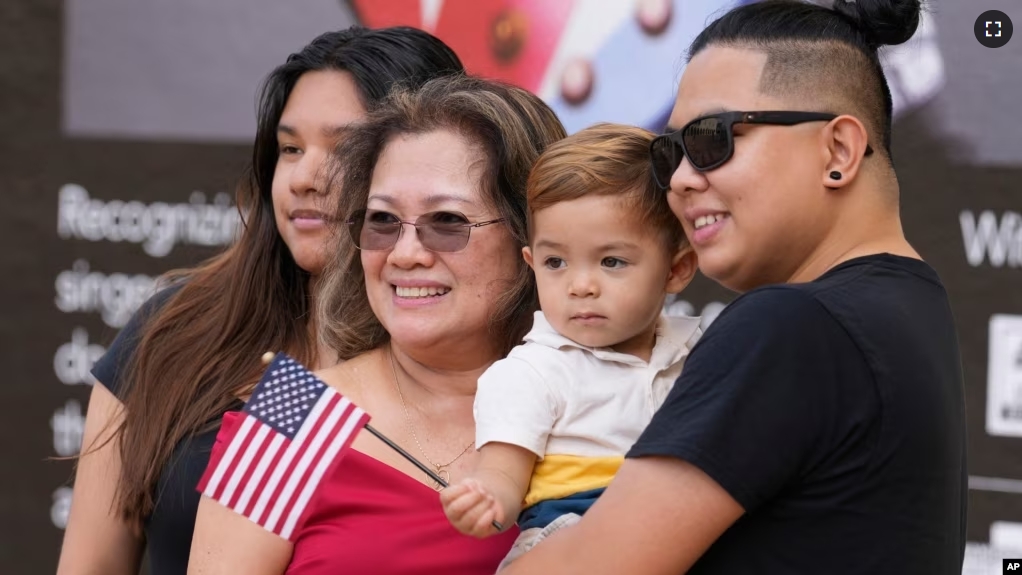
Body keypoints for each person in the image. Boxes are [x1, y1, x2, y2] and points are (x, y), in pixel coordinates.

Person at [503, 0, 967, 573]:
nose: (678, 180)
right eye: (668, 152)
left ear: (839, 150)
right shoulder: (912, 302)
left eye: (712, 139)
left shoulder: (792, 326)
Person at [57, 27, 464, 575]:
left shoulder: (493, 366)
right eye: (290, 148)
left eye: (345, 149)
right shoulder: (177, 328)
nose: (303, 177)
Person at [187, 74, 567, 575]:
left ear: (533, 239)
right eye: (383, 221)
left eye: (447, 222)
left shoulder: (606, 397)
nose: (405, 254)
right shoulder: (289, 406)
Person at [438, 123, 701, 569]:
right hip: (569, 530)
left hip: (677, 529)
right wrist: (487, 498)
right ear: (531, 263)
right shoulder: (532, 371)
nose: (580, 286)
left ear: (676, 270)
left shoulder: (696, 352)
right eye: (555, 262)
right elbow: (503, 471)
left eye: (611, 261)